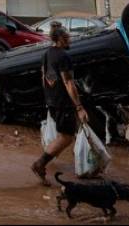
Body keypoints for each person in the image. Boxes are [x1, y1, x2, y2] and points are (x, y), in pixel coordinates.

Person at [31, 26, 89, 186]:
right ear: (61, 39)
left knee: (64, 134)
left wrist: (49, 97)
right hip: (63, 102)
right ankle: (40, 164)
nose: (69, 40)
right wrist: (79, 107)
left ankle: (43, 162)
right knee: (66, 137)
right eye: (67, 37)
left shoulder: (47, 53)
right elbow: (68, 82)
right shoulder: (64, 57)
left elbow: (43, 76)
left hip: (52, 100)